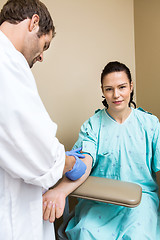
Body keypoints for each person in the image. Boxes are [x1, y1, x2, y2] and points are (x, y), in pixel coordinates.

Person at [43, 61, 160, 239]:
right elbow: (84, 164)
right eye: (109, 89)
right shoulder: (92, 126)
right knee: (86, 231)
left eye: (122, 87)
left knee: (139, 234)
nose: (116, 95)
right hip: (100, 200)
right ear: (102, 91)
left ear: (131, 86)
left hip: (141, 200)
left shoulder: (150, 124)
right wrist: (59, 191)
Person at [0, 1, 86, 240]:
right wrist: (68, 161)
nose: (41, 57)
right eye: (44, 45)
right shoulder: (8, 65)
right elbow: (41, 155)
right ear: (33, 22)